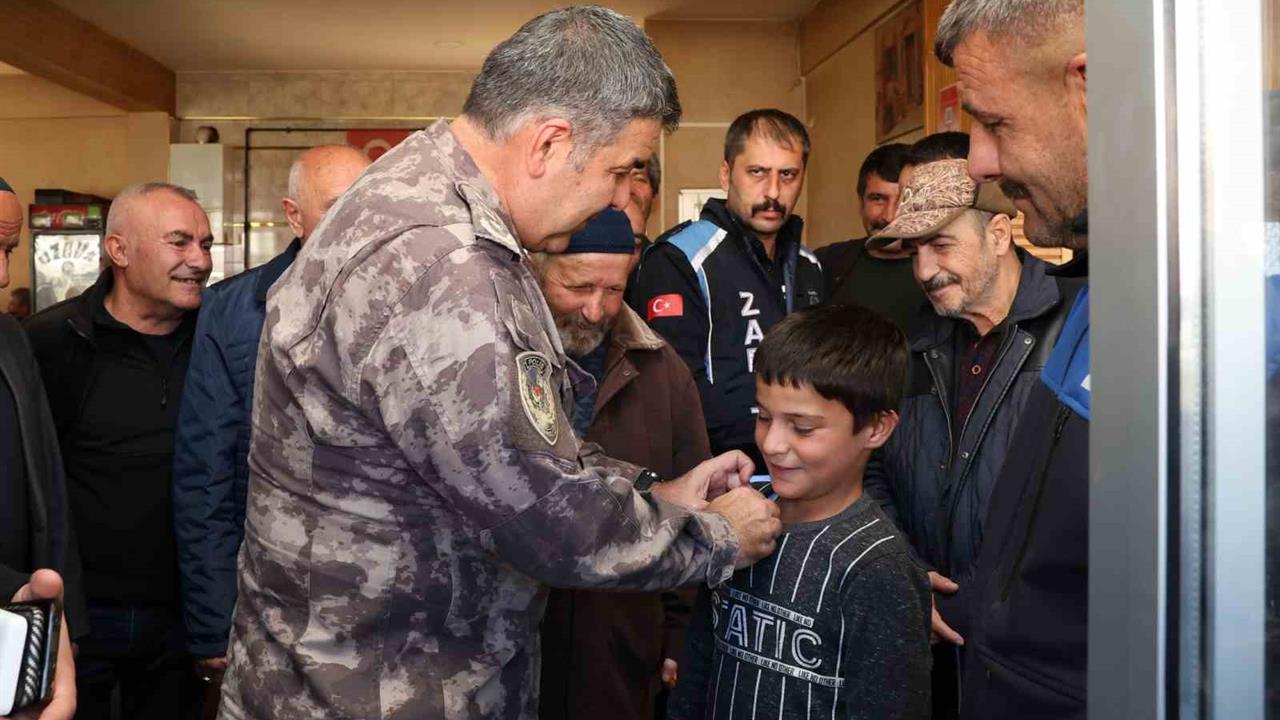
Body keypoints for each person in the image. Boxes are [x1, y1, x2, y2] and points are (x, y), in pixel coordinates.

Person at [216, 8, 782, 720]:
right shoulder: (448, 269)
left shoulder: (414, 190)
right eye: (617, 171)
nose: (617, 199)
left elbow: (510, 445)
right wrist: (720, 536)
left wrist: (654, 490)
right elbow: (544, 520)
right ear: (549, 142)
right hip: (379, 693)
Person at [862, 157, 1083, 718]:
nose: (924, 270)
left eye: (940, 245)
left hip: (1035, 659)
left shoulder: (1078, 329)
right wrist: (908, 573)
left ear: (1000, 234)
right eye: (914, 251)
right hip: (926, 643)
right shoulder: (910, 342)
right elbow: (872, 468)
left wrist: (998, 601)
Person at [934, 0, 1089, 717]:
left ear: (1088, 87)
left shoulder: (1239, 301)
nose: (980, 163)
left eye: (995, 123)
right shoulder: (1104, 300)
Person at [668, 304, 932, 720]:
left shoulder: (878, 568)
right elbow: (697, 671)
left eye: (803, 427)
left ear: (876, 428)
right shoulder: (737, 518)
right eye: (763, 416)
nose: (772, 444)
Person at [171, 145, 370, 688]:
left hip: (379, 599)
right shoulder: (233, 310)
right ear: (294, 216)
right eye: (337, 207)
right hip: (268, 592)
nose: (359, 223)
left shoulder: (411, 301)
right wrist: (213, 618)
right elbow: (205, 472)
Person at [25, 182, 214, 720]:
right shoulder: (51, 342)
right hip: (81, 616)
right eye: (179, 242)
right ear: (119, 250)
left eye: (205, 244)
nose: (200, 261)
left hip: (186, 615)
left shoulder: (217, 342)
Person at [532, 209, 711, 720]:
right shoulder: (500, 360)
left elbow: (694, 507)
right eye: (578, 287)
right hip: (516, 643)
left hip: (620, 644)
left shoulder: (661, 369)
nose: (595, 310)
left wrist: (678, 632)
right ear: (536, 271)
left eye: (613, 290)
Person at [630, 108, 824, 470]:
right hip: (712, 474)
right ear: (725, 175)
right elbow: (671, 390)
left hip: (799, 468)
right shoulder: (679, 258)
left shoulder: (808, 265)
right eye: (757, 172)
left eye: (788, 175)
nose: (773, 192)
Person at [0, 176, 80, 720]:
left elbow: (47, 483)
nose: (4, 276)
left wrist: (56, 621)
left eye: (8, 250)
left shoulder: (10, 338)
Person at [816, 143, 926, 333]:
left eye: (903, 200)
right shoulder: (825, 263)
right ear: (861, 203)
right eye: (878, 199)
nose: (889, 217)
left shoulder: (937, 269)